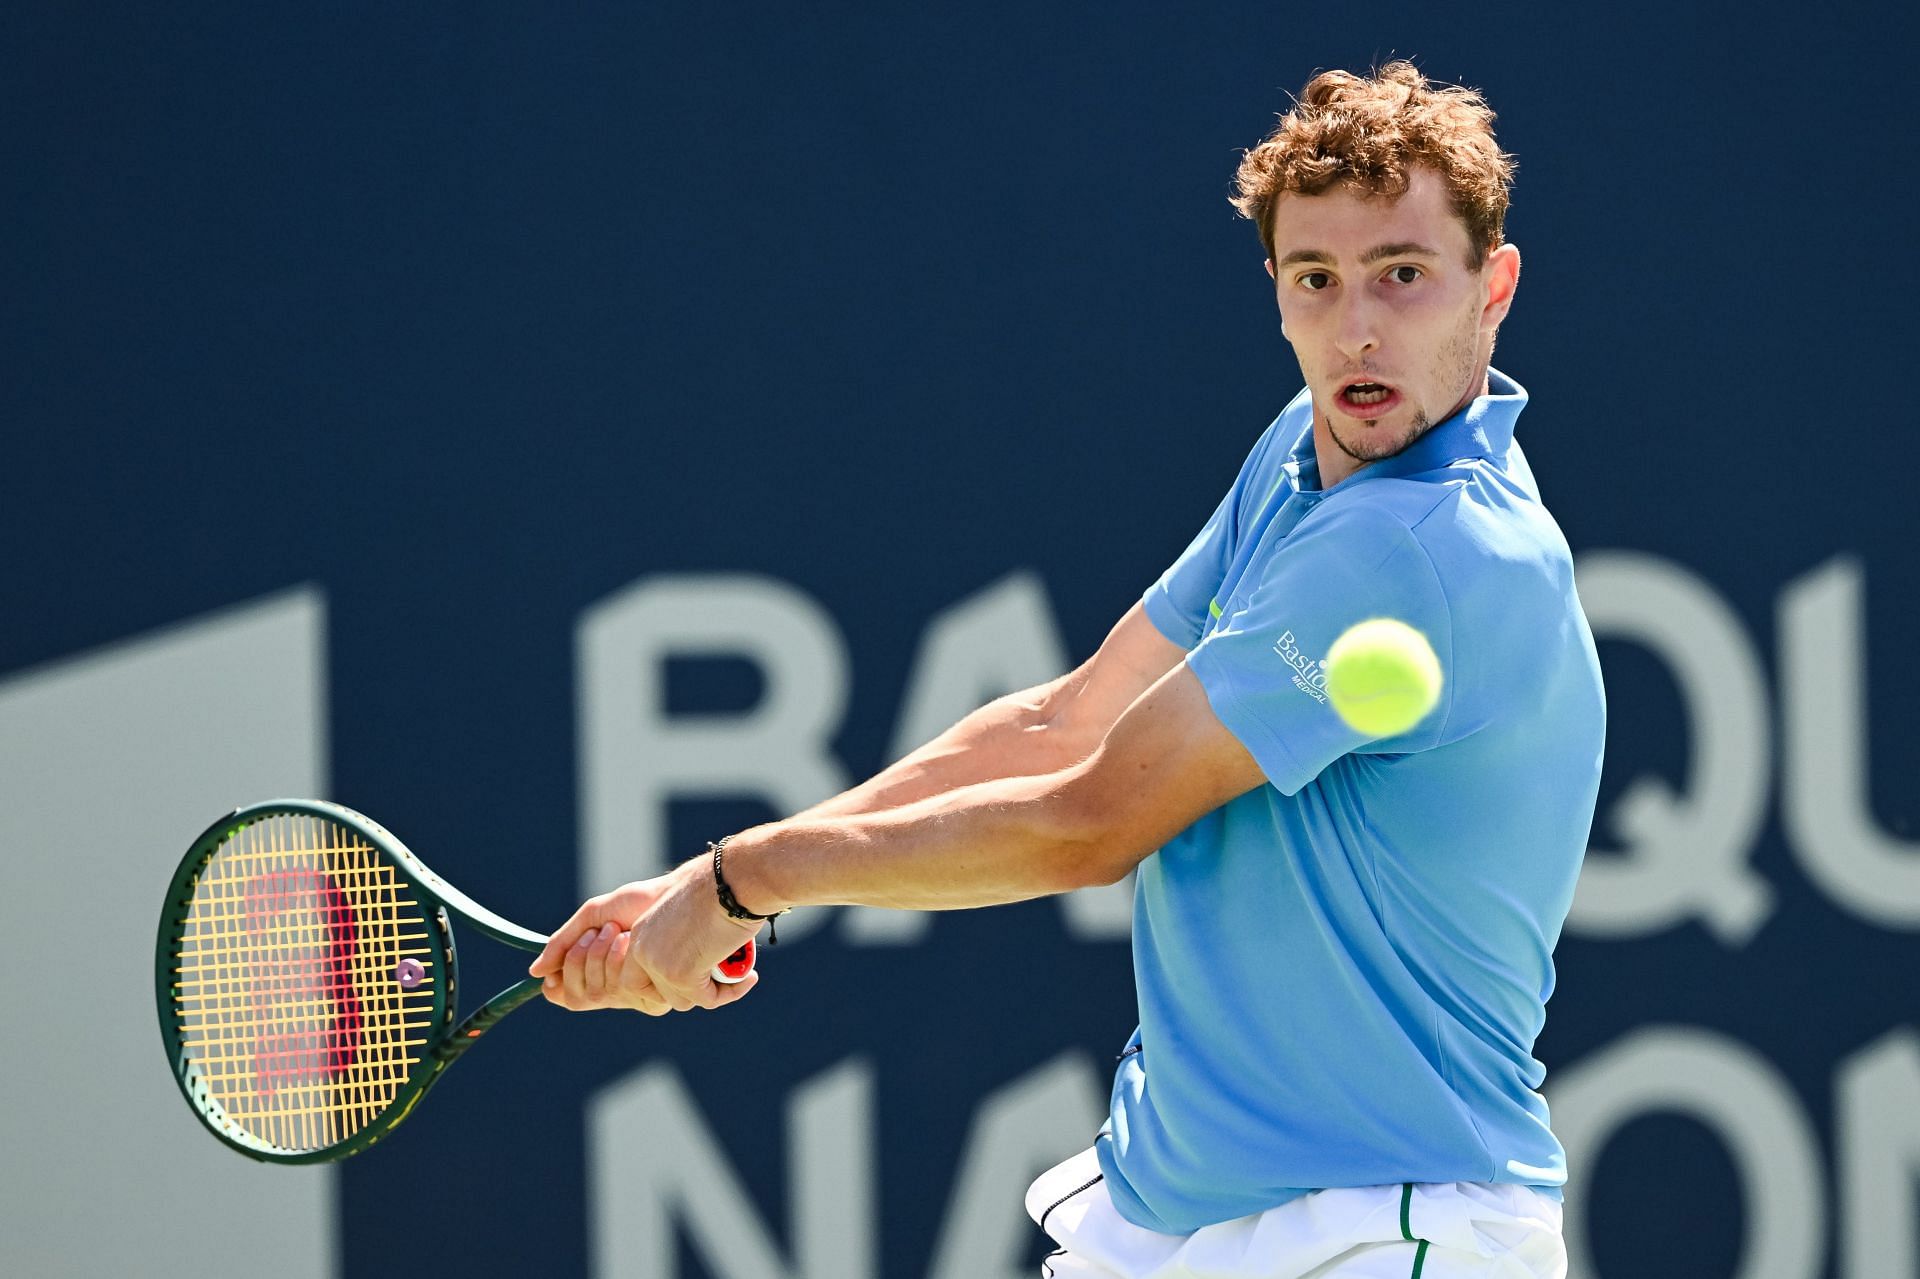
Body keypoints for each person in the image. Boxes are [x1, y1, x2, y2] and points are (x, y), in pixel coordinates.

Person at [530, 61, 1604, 1279]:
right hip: (1164, 1216)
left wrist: (752, 877)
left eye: (1403, 275)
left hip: (1387, 1225)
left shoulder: (1417, 548)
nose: (1358, 325)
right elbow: (1066, 720)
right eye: (1319, 280)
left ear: (1493, 286)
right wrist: (707, 882)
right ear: (1278, 295)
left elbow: (1090, 821)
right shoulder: (1301, 460)